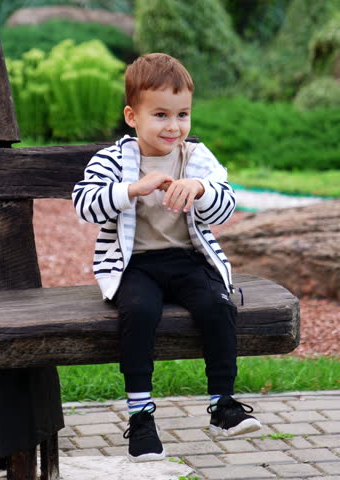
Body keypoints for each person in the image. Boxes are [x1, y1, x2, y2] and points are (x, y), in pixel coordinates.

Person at [72, 53, 261, 463]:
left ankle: (223, 404)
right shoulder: (112, 160)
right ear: (132, 116)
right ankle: (141, 416)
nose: (173, 126)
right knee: (139, 313)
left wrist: (200, 189)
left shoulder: (195, 158)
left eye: (182, 114)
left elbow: (225, 208)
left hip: (188, 260)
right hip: (136, 265)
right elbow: (85, 206)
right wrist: (132, 190)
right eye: (160, 115)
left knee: (217, 306)